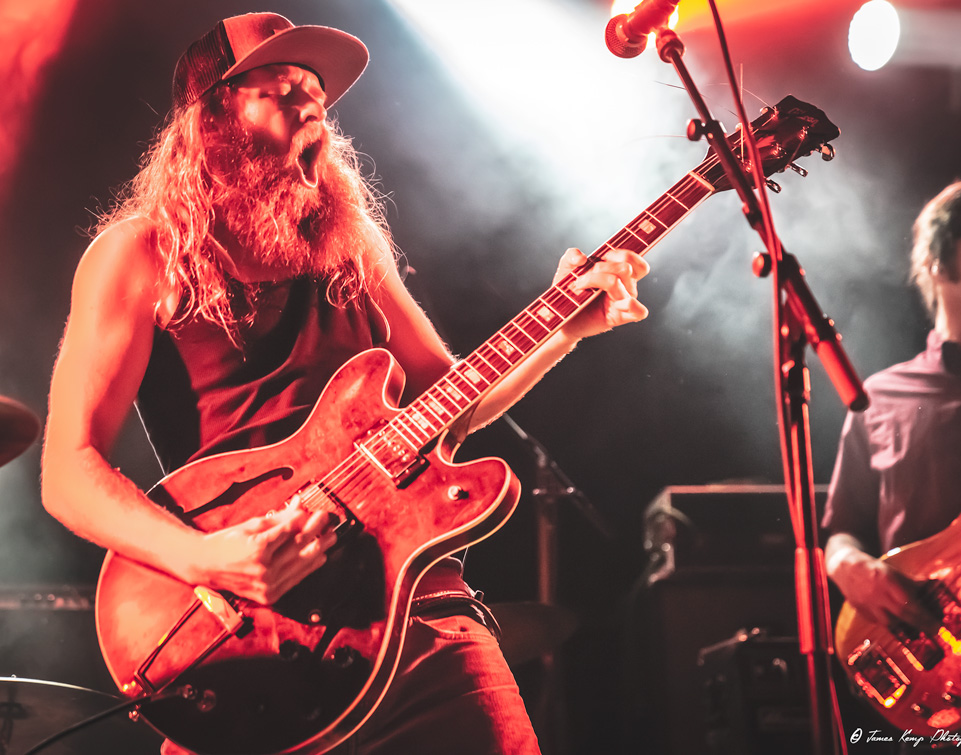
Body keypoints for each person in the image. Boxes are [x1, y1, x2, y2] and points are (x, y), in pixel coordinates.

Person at [39, 12, 649, 755]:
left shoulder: (349, 247)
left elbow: (449, 405)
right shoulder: (139, 254)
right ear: (213, 115)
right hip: (239, 636)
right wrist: (208, 558)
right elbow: (67, 470)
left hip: (416, 614)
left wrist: (562, 330)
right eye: (281, 89)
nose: (311, 108)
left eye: (316, 94)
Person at [822, 177, 961, 746]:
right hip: (929, 671)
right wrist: (849, 566)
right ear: (938, 264)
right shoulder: (879, 398)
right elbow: (841, 532)